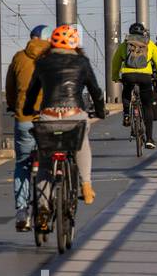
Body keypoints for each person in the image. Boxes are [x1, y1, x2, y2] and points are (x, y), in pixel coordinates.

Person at [22, 25, 106, 217]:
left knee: (44, 161)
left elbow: (32, 91)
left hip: (48, 116)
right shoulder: (82, 62)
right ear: (75, 43)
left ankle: (43, 207)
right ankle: (86, 184)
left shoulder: (42, 62)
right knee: (81, 142)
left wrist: (28, 109)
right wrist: (100, 111)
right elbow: (95, 90)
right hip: (73, 115)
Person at [5, 24, 51, 232]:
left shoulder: (18, 58)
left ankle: (22, 211)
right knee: (48, 163)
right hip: (48, 119)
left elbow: (10, 88)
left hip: (24, 118)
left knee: (22, 164)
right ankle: (43, 206)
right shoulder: (55, 58)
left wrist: (14, 104)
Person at [110, 21, 157, 149]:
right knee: (147, 106)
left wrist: (115, 77)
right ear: (143, 32)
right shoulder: (149, 43)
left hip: (128, 75)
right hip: (145, 77)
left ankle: (127, 115)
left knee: (126, 92)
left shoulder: (125, 44)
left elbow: (116, 61)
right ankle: (150, 138)